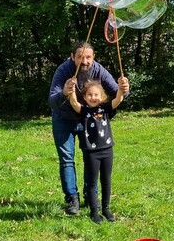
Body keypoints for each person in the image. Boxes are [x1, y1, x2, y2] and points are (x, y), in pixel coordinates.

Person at [48, 43, 124, 215]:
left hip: (87, 120)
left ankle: (91, 198)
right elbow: (52, 101)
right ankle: (72, 199)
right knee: (67, 159)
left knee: (91, 157)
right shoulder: (63, 71)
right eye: (80, 57)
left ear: (93, 57)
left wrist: (124, 89)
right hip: (63, 118)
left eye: (88, 57)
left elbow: (116, 92)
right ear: (72, 57)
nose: (85, 61)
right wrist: (64, 93)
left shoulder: (98, 70)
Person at [65, 77, 127, 223]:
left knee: (106, 181)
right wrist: (71, 90)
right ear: (85, 97)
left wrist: (121, 88)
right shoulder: (84, 111)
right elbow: (74, 102)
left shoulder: (105, 109)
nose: (93, 97)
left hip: (107, 149)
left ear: (102, 96)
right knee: (92, 183)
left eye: (96, 95)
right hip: (91, 152)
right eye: (89, 95)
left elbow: (118, 99)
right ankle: (94, 212)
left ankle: (105, 208)